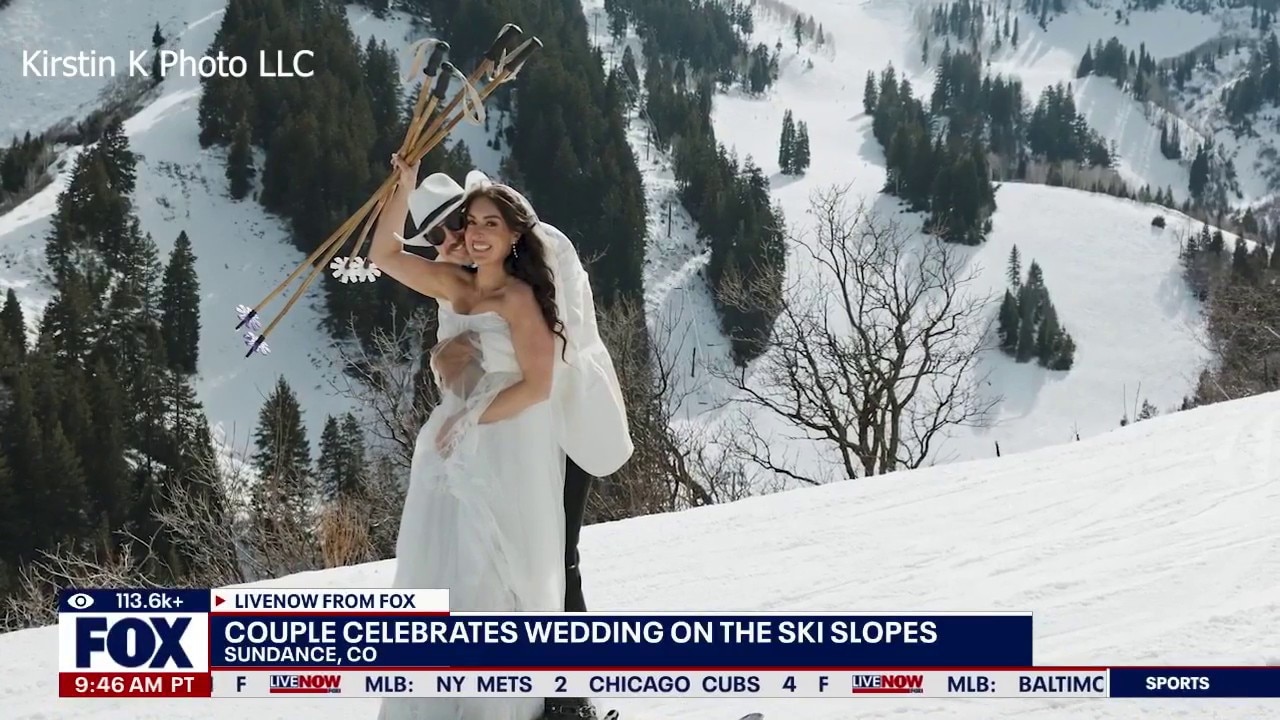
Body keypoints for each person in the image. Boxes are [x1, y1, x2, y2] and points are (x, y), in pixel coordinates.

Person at [370, 155, 632, 720]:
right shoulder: (452, 285)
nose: (465, 237)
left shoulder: (524, 291)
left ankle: (562, 698)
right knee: (464, 561)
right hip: (471, 444)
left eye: (483, 225)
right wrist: (404, 184)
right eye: (464, 227)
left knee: (542, 564)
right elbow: (383, 254)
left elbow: (541, 381)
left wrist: (468, 413)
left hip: (543, 434)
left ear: (512, 234)